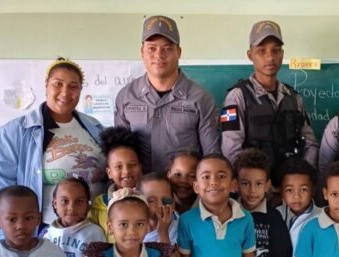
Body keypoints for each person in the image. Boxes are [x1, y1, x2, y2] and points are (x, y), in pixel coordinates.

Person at [0, 58, 105, 224]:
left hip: (95, 231)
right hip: (45, 233)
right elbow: (1, 189)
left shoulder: (96, 128)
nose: (65, 92)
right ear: (46, 85)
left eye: (73, 86)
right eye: (58, 84)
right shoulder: (14, 133)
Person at [115, 15, 220, 173]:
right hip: (141, 192)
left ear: (178, 52)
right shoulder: (126, 97)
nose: (159, 55)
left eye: (167, 48)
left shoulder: (201, 98)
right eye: (152, 48)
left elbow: (211, 157)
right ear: (142, 51)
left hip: (184, 191)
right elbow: (120, 154)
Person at [221, 20, 319, 184]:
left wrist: (300, 179)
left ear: (282, 54)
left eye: (276, 50)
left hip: (291, 189)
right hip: (253, 191)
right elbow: (230, 149)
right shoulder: (237, 97)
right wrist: (255, 185)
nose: (270, 57)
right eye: (262, 51)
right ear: (250, 55)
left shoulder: (294, 98)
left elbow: (310, 144)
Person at [89, 126, 144, 241]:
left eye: (132, 165)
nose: (126, 171)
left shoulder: (150, 199)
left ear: (140, 167)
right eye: (118, 167)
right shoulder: (100, 205)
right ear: (109, 172)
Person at [139, 172, 177, 244]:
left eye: (166, 200)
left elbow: (173, 256)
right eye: (151, 201)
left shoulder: (182, 229)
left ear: (173, 203)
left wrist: (163, 233)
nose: (160, 205)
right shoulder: (134, 228)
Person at [167, 150, 201, 215]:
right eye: (177, 174)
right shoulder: (160, 202)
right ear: (168, 175)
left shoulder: (207, 205)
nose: (183, 181)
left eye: (192, 176)